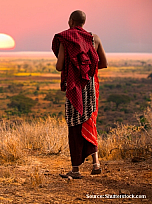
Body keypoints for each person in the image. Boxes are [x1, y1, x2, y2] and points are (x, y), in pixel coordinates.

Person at [52, 10, 107, 179]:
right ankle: (96, 163)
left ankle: (75, 170)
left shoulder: (65, 39)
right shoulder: (94, 38)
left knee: (75, 126)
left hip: (74, 87)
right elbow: (104, 63)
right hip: (89, 87)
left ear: (70, 21)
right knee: (89, 121)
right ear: (84, 22)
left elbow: (59, 66)